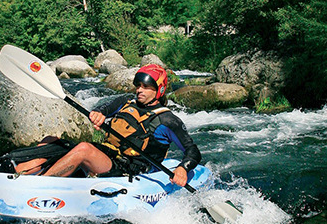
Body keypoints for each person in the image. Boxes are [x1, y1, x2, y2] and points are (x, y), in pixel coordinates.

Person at [18, 64, 201, 187]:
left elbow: (192, 151)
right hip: (106, 154)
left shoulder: (168, 120)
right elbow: (104, 108)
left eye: (146, 87)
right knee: (51, 141)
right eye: (138, 85)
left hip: (130, 168)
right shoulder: (127, 101)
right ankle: (15, 173)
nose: (139, 90)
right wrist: (98, 114)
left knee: (83, 149)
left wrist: (183, 167)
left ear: (159, 90)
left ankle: (39, 187)